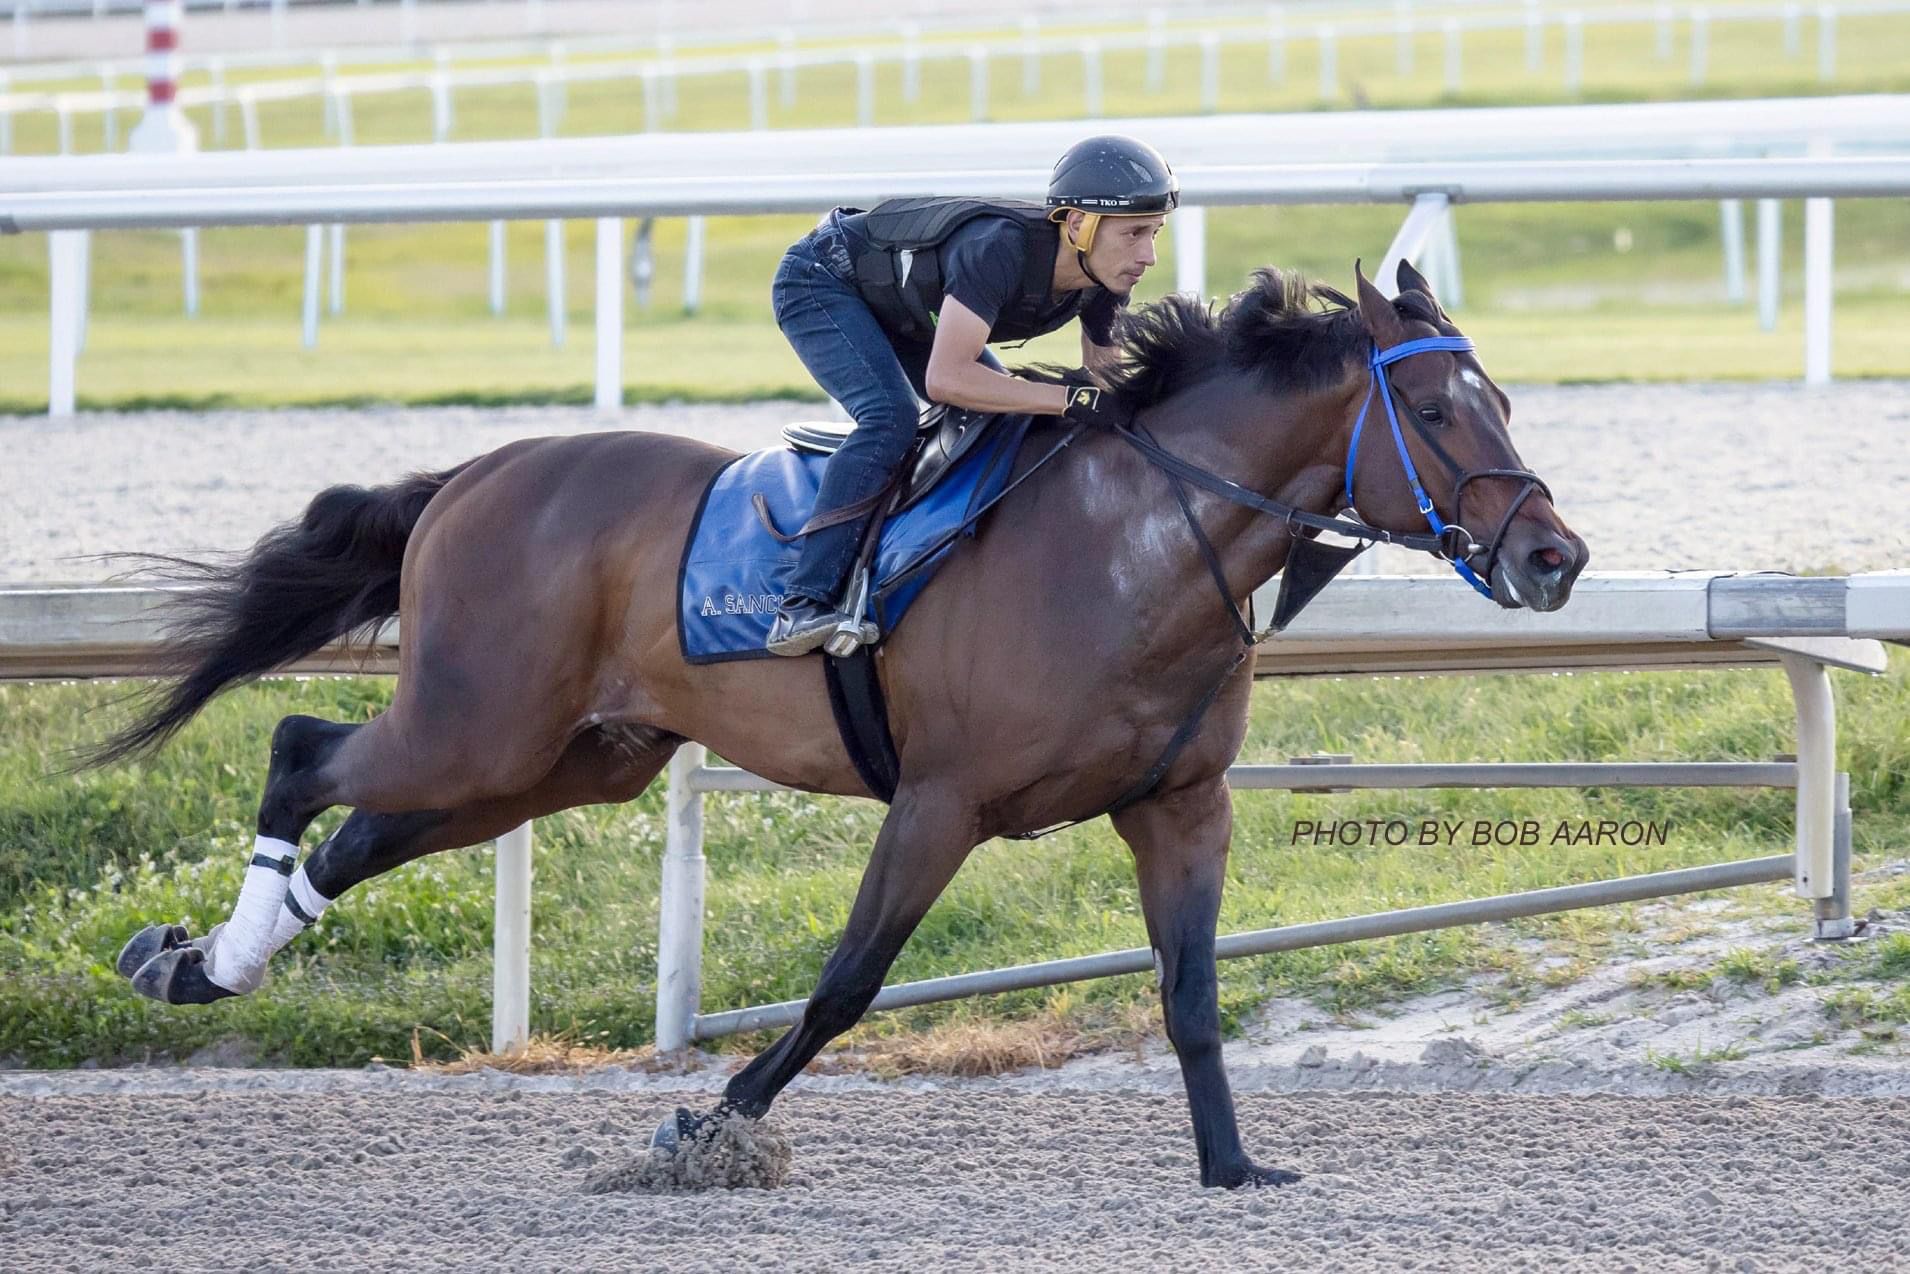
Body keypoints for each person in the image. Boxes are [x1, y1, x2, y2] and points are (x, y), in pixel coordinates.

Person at [763, 133, 1180, 656]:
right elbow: (948, 380)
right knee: (888, 418)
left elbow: (1107, 385)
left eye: (1156, 233)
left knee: (999, 420)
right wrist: (1066, 400)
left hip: (908, 309)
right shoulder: (998, 248)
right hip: (825, 280)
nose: (1149, 255)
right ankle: (804, 602)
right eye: (1135, 233)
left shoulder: (1105, 277)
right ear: (1078, 225)